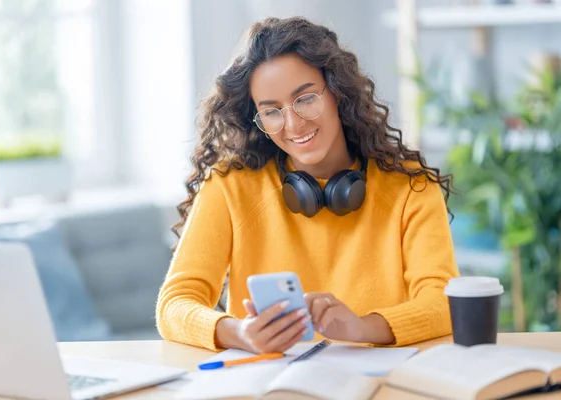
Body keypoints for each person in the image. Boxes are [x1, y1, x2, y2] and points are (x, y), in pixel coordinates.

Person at [156, 16, 459, 353]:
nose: (293, 124)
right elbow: (175, 303)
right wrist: (239, 333)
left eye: (305, 98)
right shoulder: (230, 186)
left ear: (338, 92)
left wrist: (360, 328)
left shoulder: (408, 186)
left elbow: (444, 301)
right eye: (271, 111)